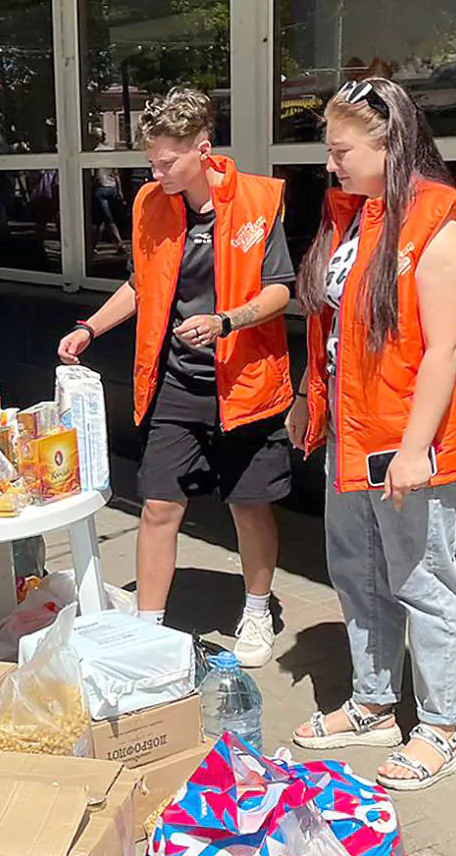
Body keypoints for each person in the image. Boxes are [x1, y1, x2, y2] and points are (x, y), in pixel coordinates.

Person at [286, 78, 456, 791]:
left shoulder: (435, 222)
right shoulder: (353, 217)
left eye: (341, 150)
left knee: (423, 581)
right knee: (356, 571)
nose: (330, 164)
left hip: (406, 440)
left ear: (388, 144)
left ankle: (441, 728)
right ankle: (374, 703)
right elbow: (335, 329)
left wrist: (413, 449)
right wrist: (304, 399)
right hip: (351, 433)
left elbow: (444, 350)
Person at [57, 86, 297, 667]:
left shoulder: (258, 203)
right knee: (158, 507)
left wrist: (225, 322)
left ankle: (258, 610)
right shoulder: (150, 205)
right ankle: (148, 628)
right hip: (176, 385)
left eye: (168, 161)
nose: (157, 172)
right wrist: (91, 328)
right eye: (151, 161)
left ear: (203, 150)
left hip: (245, 384)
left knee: (249, 506)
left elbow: (281, 290)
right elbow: (144, 285)